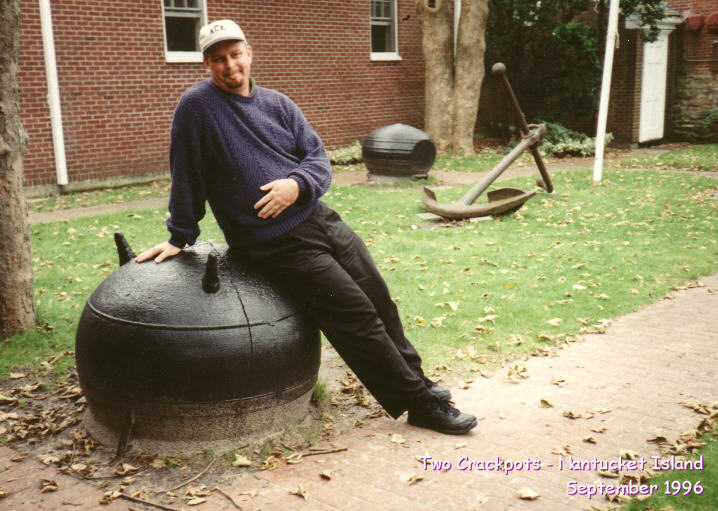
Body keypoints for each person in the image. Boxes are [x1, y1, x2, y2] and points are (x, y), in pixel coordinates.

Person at [136, 19, 477, 435]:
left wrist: (296, 186)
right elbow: (186, 171)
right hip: (273, 241)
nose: (229, 65)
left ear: (249, 53)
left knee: (379, 299)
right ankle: (418, 404)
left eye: (235, 54)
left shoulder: (277, 104)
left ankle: (418, 380)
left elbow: (317, 158)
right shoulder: (197, 107)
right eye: (218, 59)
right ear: (206, 64)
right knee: (354, 316)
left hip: (319, 218)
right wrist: (179, 235)